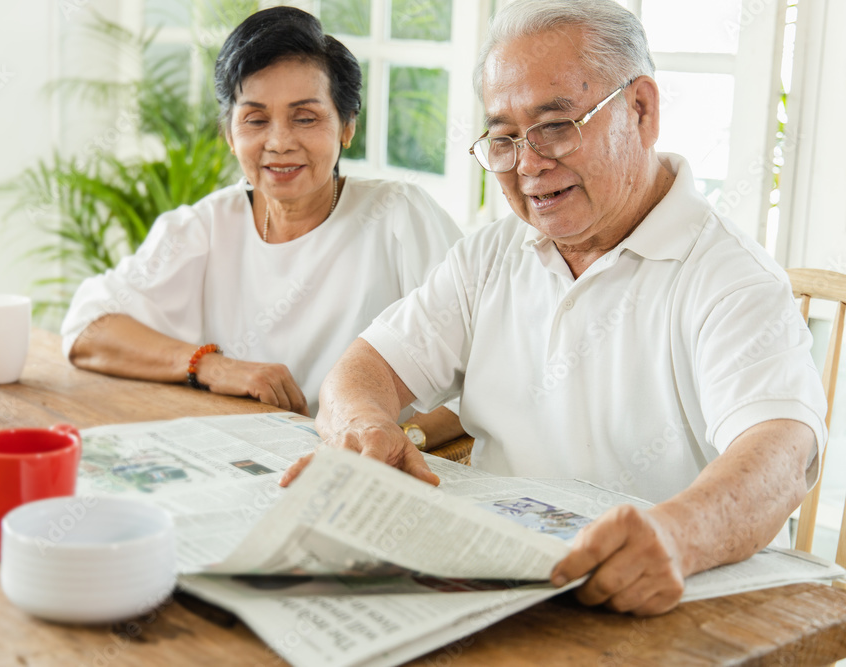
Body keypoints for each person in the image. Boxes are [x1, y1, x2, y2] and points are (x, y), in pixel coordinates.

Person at [280, 0, 828, 615]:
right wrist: (366, 429)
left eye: (555, 126)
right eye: (505, 137)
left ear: (641, 110)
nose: (530, 165)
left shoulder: (731, 277)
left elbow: (782, 454)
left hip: (662, 608)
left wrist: (678, 536)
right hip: (498, 590)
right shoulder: (491, 254)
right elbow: (364, 368)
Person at [61, 7, 465, 446]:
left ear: (348, 126)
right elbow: (87, 328)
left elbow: (486, 372)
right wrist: (214, 366)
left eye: (305, 117)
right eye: (256, 119)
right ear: (230, 135)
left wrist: (397, 438)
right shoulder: (206, 225)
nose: (279, 142)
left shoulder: (400, 217)